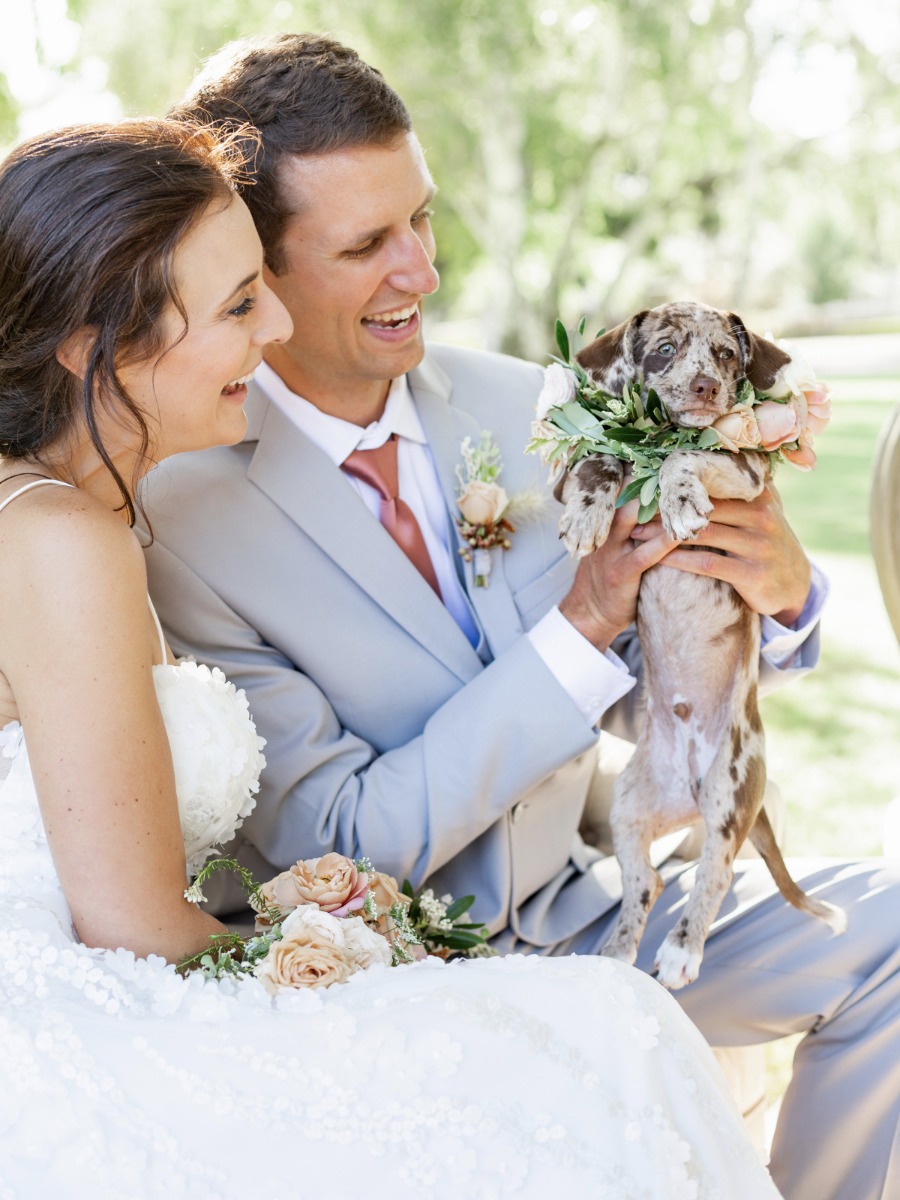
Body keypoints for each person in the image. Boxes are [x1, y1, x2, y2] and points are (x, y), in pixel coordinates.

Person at [140, 33, 900, 1200]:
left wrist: (783, 596)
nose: (422, 273)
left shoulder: (532, 405)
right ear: (263, 272)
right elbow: (341, 840)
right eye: (366, 246)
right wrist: (580, 626)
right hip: (392, 977)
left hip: (598, 906)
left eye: (422, 221)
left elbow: (672, 675)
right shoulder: (184, 520)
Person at [0, 118, 785, 1198]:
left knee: (598, 1031)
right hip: (95, 1020)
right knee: (600, 1038)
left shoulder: (76, 515)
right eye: (236, 305)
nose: (275, 326)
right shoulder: (64, 539)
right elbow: (137, 927)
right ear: (96, 349)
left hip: (236, 950)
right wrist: (375, 978)